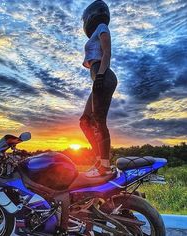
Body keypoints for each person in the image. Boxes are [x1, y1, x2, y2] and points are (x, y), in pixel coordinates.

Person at [80, 0, 118, 177]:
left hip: (103, 75)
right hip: (97, 75)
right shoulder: (96, 30)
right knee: (85, 121)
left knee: (98, 120)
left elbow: (107, 52)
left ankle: (105, 166)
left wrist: (101, 75)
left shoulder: (102, 26)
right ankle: (98, 160)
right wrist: (98, 76)